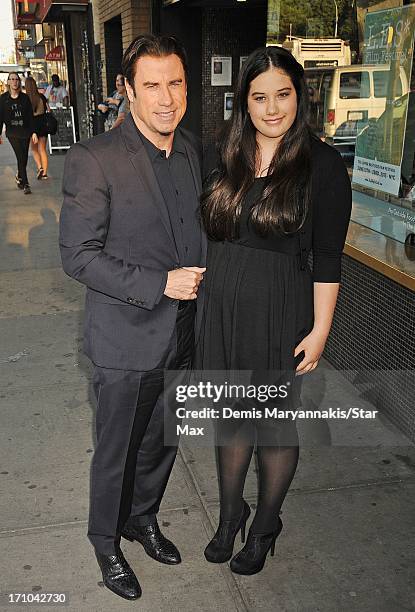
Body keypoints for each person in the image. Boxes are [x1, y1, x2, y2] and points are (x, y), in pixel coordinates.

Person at [59, 34, 206, 601]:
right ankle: (106, 544)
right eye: (151, 85)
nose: (166, 98)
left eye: (175, 83)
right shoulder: (95, 158)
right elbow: (78, 256)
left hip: (182, 334)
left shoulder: (190, 149)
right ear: (126, 91)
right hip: (124, 341)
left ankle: (142, 520)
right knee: (116, 450)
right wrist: (158, 284)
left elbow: (191, 234)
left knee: (163, 441)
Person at [196, 46, 352, 575]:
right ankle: (229, 514)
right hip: (222, 308)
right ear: (244, 102)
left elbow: (328, 255)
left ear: (299, 96)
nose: (271, 108)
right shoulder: (226, 154)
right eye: (258, 97)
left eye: (282, 94)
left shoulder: (324, 165)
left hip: (279, 308)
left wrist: (321, 329)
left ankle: (264, 525)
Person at [0, 72, 38, 194]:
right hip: (12, 133)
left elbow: (30, 117)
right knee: (20, 156)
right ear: (8, 82)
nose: (14, 81)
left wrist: (33, 132)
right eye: (12, 79)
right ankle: (26, 183)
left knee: (24, 157)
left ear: (19, 82)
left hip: (25, 132)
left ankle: (20, 177)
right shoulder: (3, 99)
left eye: (16, 79)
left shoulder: (25, 98)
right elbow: (0, 117)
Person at [24, 76, 50, 180]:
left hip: (32, 126)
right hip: (43, 125)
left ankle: (40, 167)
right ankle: (45, 174)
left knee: (34, 149)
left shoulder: (26, 99)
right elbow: (48, 109)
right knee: (42, 149)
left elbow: (27, 115)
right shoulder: (42, 97)